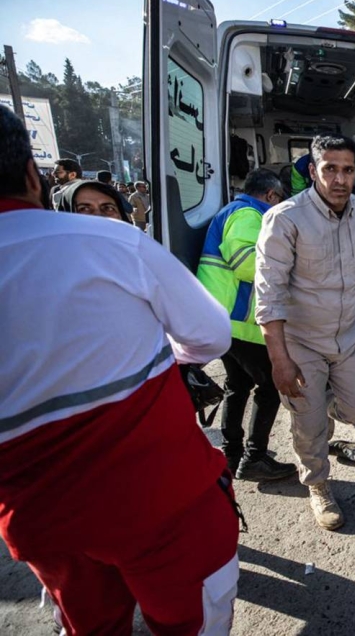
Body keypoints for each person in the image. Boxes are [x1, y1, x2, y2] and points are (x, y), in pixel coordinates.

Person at [0, 105, 240, 634]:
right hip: (162, 503)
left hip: (43, 522)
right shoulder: (117, 245)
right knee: (189, 622)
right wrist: (157, 357)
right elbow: (210, 336)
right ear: (31, 177)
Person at [255, 133, 355, 531]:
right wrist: (280, 360)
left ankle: (325, 408)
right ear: (313, 171)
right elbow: (269, 295)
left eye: (347, 170)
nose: (339, 179)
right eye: (329, 169)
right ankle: (318, 484)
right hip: (303, 342)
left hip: (351, 335)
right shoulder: (284, 218)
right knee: (308, 423)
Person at [197, 168, 298, 482]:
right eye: (279, 200)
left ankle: (232, 453)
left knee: (237, 385)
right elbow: (247, 265)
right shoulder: (248, 215)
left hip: (224, 320)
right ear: (271, 196)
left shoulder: (233, 211)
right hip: (240, 322)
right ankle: (254, 458)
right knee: (271, 385)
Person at [56, 178, 132, 223]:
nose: (99, 215)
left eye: (108, 208)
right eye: (84, 209)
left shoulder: (136, 247)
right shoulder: (58, 249)